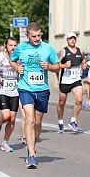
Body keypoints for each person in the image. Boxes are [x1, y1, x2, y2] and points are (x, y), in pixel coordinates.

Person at [10, 22, 60, 169]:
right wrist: (17, 67)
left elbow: (57, 66)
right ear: (28, 36)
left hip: (42, 89)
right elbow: (12, 60)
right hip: (25, 88)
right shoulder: (21, 48)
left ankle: (33, 143)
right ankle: (31, 155)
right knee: (29, 120)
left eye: (39, 36)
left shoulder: (48, 48)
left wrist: (49, 67)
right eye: (34, 36)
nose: (37, 39)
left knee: (37, 123)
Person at [57, 32, 86, 133]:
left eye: (74, 38)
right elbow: (56, 64)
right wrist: (64, 65)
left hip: (76, 79)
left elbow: (83, 60)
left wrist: (84, 65)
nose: (72, 40)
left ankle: (73, 121)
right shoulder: (63, 51)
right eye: (70, 38)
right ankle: (60, 122)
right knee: (61, 103)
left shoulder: (80, 51)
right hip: (65, 80)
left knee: (79, 100)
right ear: (67, 40)